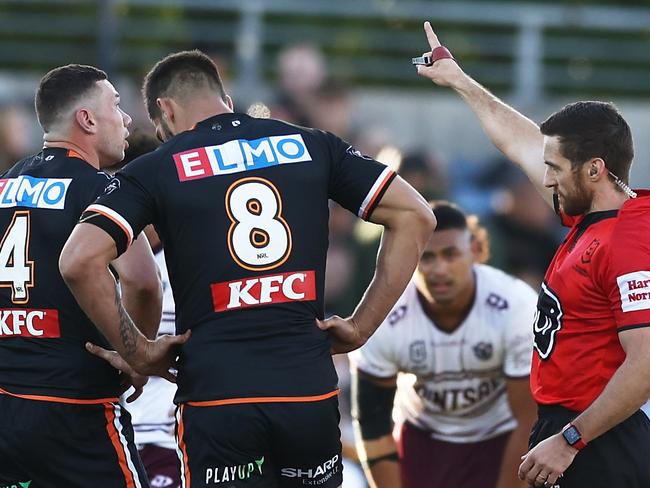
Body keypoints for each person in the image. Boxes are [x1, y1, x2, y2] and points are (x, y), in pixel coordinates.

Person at [59, 50, 436, 488]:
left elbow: (78, 260)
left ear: (166, 109)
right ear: (226, 98)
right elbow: (417, 216)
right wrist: (361, 325)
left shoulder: (158, 167)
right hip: (306, 389)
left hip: (219, 396)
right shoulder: (313, 144)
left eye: (163, 131)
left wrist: (138, 353)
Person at [415, 22, 650, 488]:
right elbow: (522, 143)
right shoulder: (589, 217)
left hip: (599, 438)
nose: (545, 180)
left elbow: (645, 363)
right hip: (574, 430)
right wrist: (460, 81)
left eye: (555, 169)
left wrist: (570, 439)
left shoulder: (628, 238)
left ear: (595, 170)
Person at [0, 64, 164, 487]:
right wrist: (136, 356)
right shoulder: (101, 189)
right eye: (116, 104)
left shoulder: (3, 184)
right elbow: (143, 280)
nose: (126, 118)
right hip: (77, 405)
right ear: (87, 120)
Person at [350, 201, 537, 488]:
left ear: (475, 251)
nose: (439, 269)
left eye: (451, 254)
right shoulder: (383, 314)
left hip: (498, 436)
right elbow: (373, 428)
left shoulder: (516, 305)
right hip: (423, 438)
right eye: (427, 257)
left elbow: (527, 419)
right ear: (410, 258)